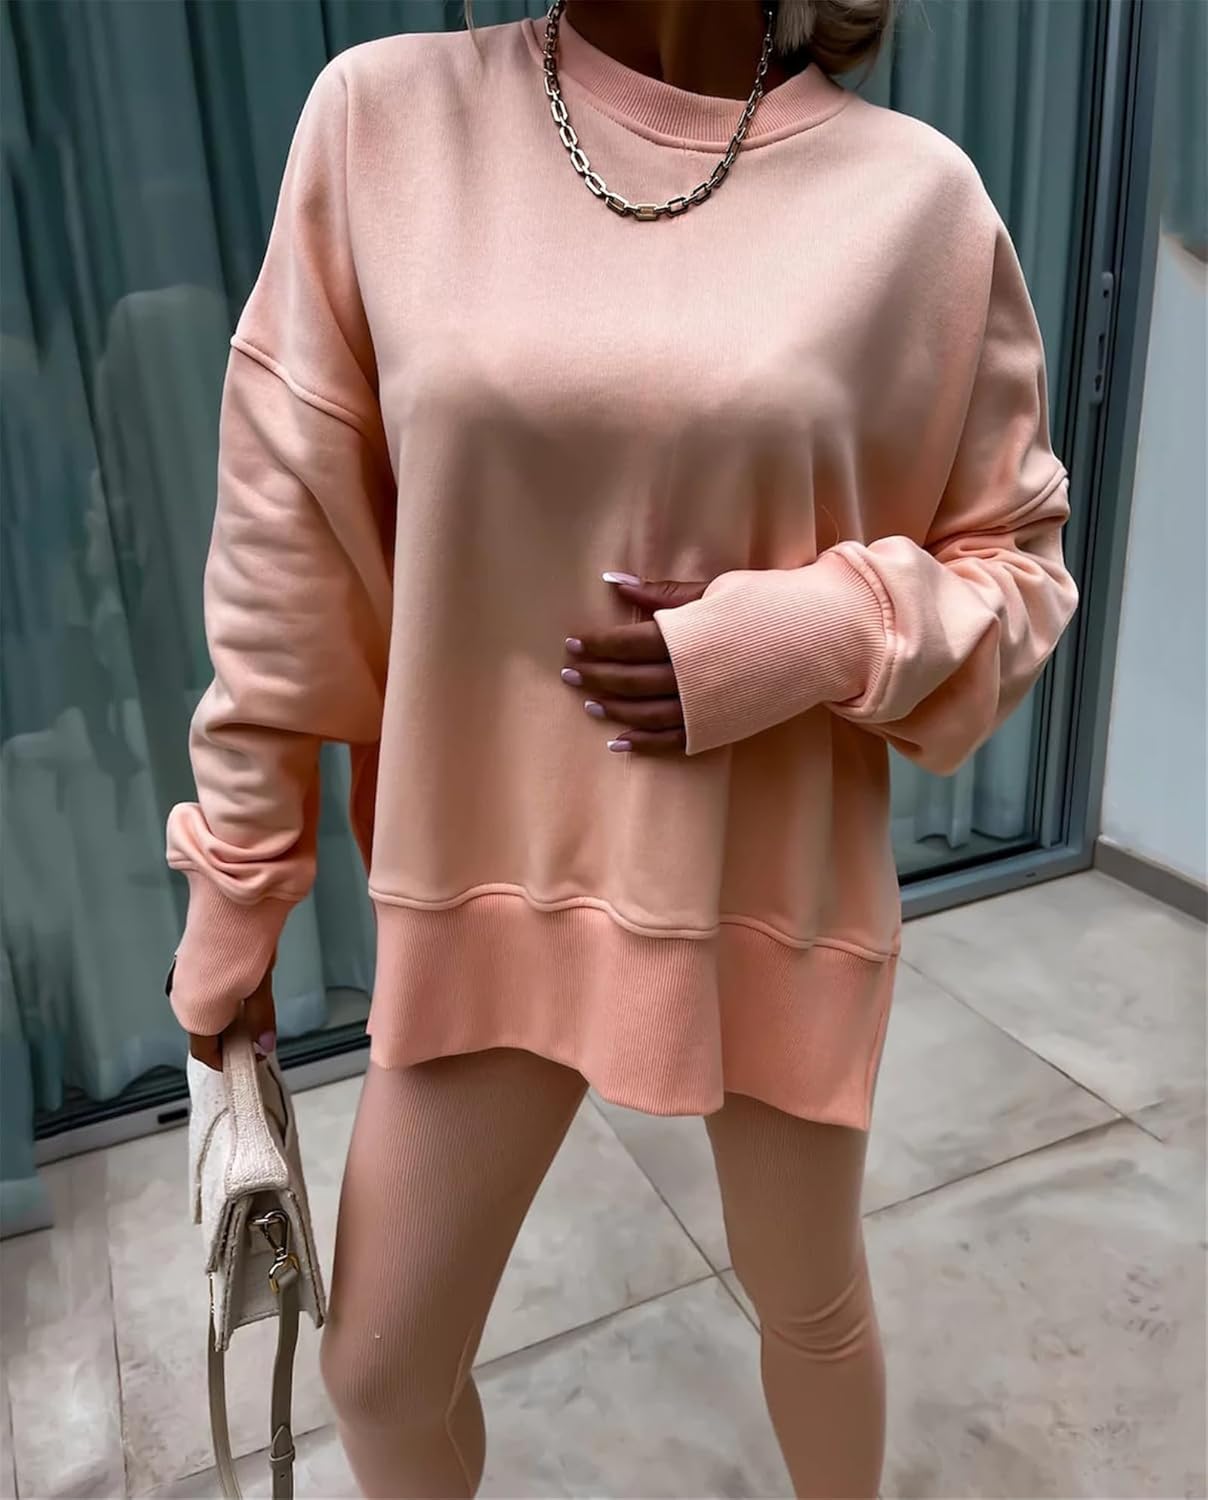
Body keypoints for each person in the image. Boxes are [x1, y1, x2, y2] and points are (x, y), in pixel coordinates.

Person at [165, 0, 1078, 1493]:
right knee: (381, 1375)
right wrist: (235, 900)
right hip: (488, 882)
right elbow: (282, 562)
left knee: (809, 1302)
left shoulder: (917, 202)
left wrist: (808, 635)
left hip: (766, 892)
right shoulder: (385, 123)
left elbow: (1018, 564)